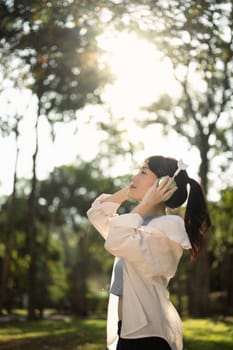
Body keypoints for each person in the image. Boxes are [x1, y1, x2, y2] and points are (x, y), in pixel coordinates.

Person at [87, 155, 211, 350]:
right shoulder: (138, 224)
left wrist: (144, 203)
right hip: (129, 333)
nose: (134, 176)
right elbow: (97, 214)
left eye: (143, 172)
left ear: (163, 184)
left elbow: (115, 241)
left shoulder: (167, 230)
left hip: (146, 337)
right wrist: (129, 192)